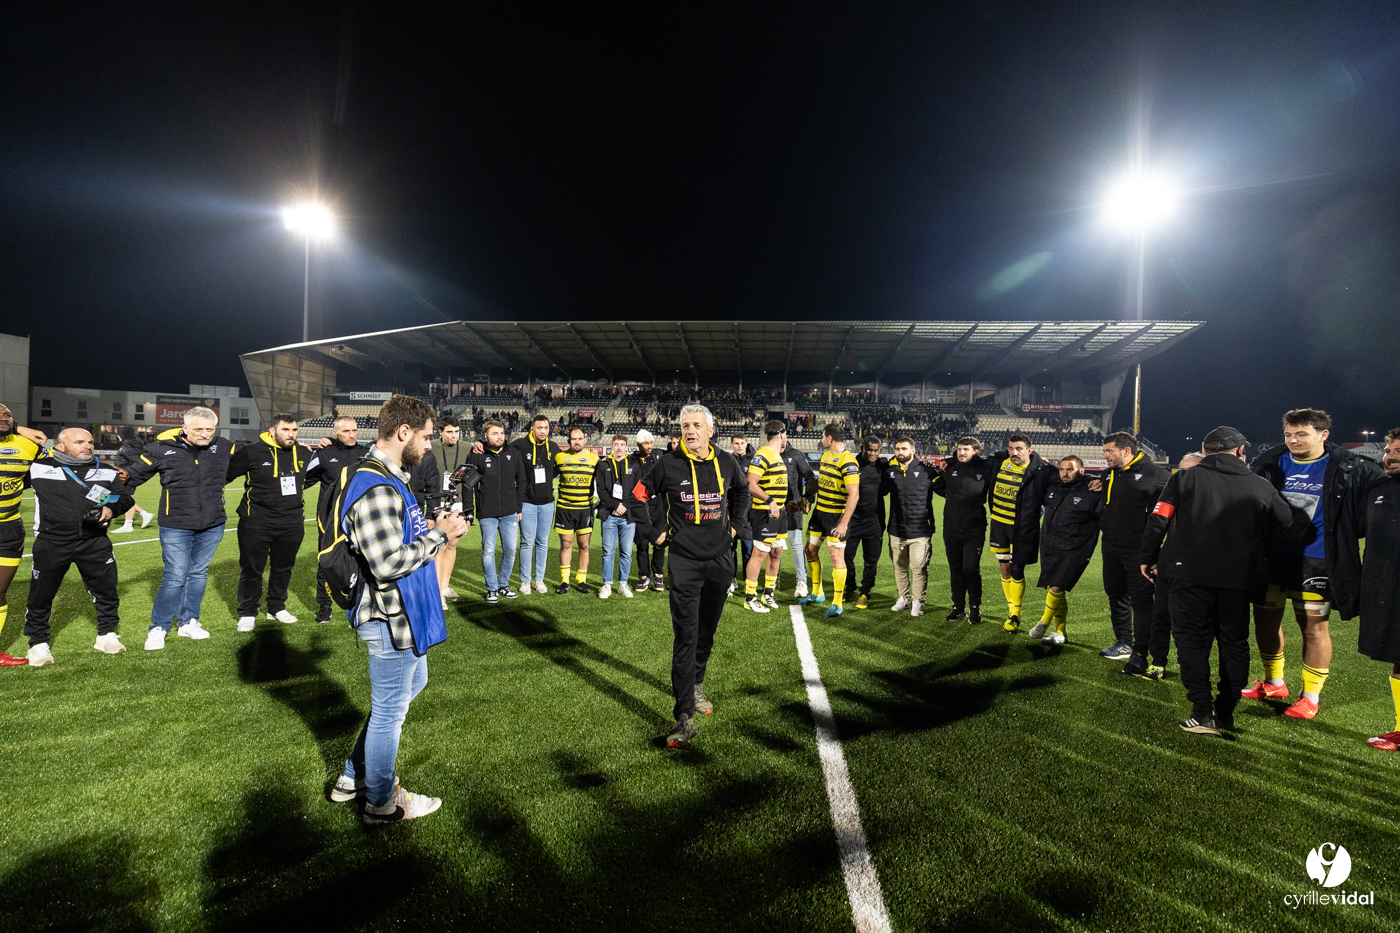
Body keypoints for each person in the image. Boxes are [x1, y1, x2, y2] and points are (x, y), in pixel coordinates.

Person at [329, 395, 469, 824]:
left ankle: (354, 776)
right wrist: (440, 537)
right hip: (388, 616)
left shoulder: (388, 474)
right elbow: (386, 564)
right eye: (427, 437)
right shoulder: (373, 484)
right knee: (390, 711)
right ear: (403, 432)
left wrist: (427, 527)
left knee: (410, 687)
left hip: (402, 614)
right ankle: (382, 801)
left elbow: (393, 535)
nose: (430, 446)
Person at [1140, 426, 1294, 736]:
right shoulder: (1259, 484)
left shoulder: (1185, 478)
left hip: (1187, 575)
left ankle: (1202, 711)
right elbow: (1286, 523)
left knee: (1191, 642)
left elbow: (1158, 519)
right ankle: (1225, 712)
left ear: (1206, 451)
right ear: (1240, 452)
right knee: (1234, 643)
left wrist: (1147, 556)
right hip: (1238, 578)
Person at [627, 404, 750, 748]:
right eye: (684, 425)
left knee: (706, 632)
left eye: (696, 425)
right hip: (684, 563)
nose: (689, 430)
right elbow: (637, 497)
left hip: (721, 561)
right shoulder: (667, 463)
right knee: (686, 635)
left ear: (711, 430)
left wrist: (736, 528)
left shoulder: (726, 461)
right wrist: (655, 534)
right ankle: (683, 717)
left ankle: (695, 684)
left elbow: (741, 493)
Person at [1244, 409, 1379, 720]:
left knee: (1314, 628)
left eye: (1301, 434)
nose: (1293, 440)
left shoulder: (1349, 467)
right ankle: (1274, 682)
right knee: (1265, 620)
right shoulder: (1269, 463)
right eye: (1289, 434)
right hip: (1273, 559)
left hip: (1317, 561)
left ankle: (1310, 697)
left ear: (1322, 435)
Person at [126, 406, 236, 650]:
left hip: (213, 522)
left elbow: (247, 463)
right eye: (198, 429)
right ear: (184, 428)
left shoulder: (225, 446)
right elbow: (131, 477)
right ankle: (159, 627)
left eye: (209, 429)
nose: (205, 434)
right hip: (175, 524)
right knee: (175, 575)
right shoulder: (159, 449)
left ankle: (188, 621)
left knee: (198, 573)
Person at [22, 428, 135, 664]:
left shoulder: (104, 470)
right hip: (52, 542)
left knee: (106, 590)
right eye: (80, 442)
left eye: (91, 442)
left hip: (94, 542)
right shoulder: (37, 467)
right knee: (41, 595)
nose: (88, 446)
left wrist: (110, 509)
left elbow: (124, 499)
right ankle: (38, 643)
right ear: (60, 447)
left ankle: (106, 634)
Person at [1341, 428, 1400, 750]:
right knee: (1398, 656)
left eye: (1398, 452)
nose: (1389, 457)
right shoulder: (1381, 489)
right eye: (1389, 451)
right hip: (1386, 588)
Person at [225, 414, 310, 632]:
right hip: (256, 521)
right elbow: (225, 475)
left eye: (294, 430)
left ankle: (276, 607)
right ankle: (247, 612)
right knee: (252, 569)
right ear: (272, 431)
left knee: (283, 568)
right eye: (285, 430)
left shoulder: (303, 452)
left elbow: (311, 477)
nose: (291, 435)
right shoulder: (252, 452)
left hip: (291, 521)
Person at [1090, 432, 1171, 662]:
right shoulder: (1108, 474)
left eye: (1109, 451)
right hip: (1111, 546)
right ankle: (1124, 642)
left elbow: (1176, 504)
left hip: (1140, 549)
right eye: (1104, 451)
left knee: (1142, 600)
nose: (1105, 455)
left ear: (1126, 451)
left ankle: (1141, 650)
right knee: (1115, 594)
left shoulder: (1156, 474)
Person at [1123, 451, 1203, 681]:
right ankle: (1158, 662)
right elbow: (1158, 526)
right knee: (1161, 616)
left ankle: (1194, 669)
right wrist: (1154, 558)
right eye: (1182, 471)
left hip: (1201, 570)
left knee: (1193, 622)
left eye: (1192, 471)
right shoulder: (1172, 496)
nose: (1185, 477)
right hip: (1170, 564)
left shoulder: (1215, 498)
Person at [1026, 455, 1102, 646]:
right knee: (1056, 587)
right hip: (1050, 545)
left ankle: (1044, 621)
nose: (1065, 473)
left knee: (1057, 586)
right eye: (1062, 469)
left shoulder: (1092, 490)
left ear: (1082, 471)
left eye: (1070, 469)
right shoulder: (1053, 487)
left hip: (1076, 548)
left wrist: (1096, 480)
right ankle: (1060, 633)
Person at [987, 433, 1054, 633]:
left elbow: (1068, 475)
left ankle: (1015, 614)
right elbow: (968, 457)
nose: (1014, 452)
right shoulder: (999, 462)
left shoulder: (1040, 469)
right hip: (999, 524)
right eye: (1011, 448)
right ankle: (1012, 610)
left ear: (1029, 450)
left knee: (1017, 570)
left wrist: (1095, 480)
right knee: (1005, 569)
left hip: (1022, 528)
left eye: (1019, 449)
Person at [305, 416, 367, 622]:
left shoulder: (365, 454)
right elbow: (303, 479)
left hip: (360, 517)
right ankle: (324, 607)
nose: (352, 435)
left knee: (363, 560)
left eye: (354, 431)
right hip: (330, 520)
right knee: (327, 561)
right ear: (335, 433)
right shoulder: (324, 453)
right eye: (346, 431)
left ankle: (360, 604)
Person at [798, 423, 861, 619]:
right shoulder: (826, 457)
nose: (821, 440)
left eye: (823, 436)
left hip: (836, 516)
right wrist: (807, 496)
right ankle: (817, 593)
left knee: (836, 557)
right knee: (809, 550)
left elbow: (854, 494)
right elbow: (821, 480)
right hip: (820, 513)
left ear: (830, 438)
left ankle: (837, 603)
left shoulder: (848, 461)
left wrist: (843, 523)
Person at [0, 403, 46, 666]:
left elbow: (56, 466)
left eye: (8, 415)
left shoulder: (26, 445)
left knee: (0, 590)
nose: (4, 417)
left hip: (8, 528)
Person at [932, 436, 989, 624]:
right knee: (955, 569)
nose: (962, 452)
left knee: (970, 568)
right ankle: (958, 608)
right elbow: (942, 489)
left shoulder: (986, 469)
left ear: (976, 451)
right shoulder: (952, 469)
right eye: (959, 449)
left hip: (974, 529)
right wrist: (947, 462)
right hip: (951, 528)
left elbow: (1004, 456)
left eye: (966, 449)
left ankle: (975, 607)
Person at [466, 420, 523, 603]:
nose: (499, 437)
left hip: (509, 512)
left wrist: (518, 507)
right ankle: (491, 588)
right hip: (487, 513)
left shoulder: (513, 454)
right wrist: (469, 510)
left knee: (510, 550)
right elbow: (468, 485)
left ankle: (503, 585)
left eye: (501, 433)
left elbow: (522, 481)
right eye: (494, 433)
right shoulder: (477, 455)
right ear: (485, 436)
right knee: (488, 550)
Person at [882, 436, 935, 617]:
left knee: (919, 568)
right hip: (896, 529)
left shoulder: (927, 471)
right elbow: (880, 491)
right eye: (897, 449)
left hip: (920, 530)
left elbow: (945, 488)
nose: (900, 452)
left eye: (904, 449)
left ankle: (917, 601)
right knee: (899, 567)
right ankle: (903, 598)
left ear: (913, 450)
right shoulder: (890, 471)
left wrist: (944, 468)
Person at [741, 421, 790, 613]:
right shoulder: (762, 455)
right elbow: (750, 484)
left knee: (776, 552)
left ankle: (768, 593)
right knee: (759, 553)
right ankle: (750, 597)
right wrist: (770, 500)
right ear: (782, 434)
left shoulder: (776, 455)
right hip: (764, 511)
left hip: (780, 513)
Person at [512, 415, 562, 594]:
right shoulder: (519, 445)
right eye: (539, 427)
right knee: (526, 542)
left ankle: (538, 579)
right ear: (532, 428)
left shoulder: (554, 447)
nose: (543, 431)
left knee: (542, 542)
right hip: (527, 503)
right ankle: (525, 581)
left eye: (546, 428)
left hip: (548, 503)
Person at [429, 415, 472, 602]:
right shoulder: (431, 447)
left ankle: (445, 586)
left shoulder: (467, 448)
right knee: (440, 545)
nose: (454, 436)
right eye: (450, 432)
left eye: (457, 432)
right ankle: (437, 591)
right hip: (438, 502)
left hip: (459, 502)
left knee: (453, 544)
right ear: (440, 432)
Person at [843, 436, 888, 609]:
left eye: (876, 450)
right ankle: (851, 587)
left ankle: (865, 592)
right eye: (869, 450)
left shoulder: (881, 466)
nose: (872, 453)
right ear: (862, 448)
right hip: (852, 521)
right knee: (846, 557)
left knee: (871, 560)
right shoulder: (852, 465)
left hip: (874, 522)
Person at [553, 427, 600, 594]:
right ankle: (565, 580)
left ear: (585, 440)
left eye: (580, 438)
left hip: (584, 509)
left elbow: (603, 483)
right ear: (568, 441)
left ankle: (581, 580)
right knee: (566, 544)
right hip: (565, 508)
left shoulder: (594, 460)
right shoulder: (559, 458)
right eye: (573, 439)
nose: (577, 442)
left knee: (584, 545)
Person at [594, 433, 640, 599]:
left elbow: (637, 490)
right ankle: (607, 584)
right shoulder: (603, 464)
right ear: (612, 446)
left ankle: (622, 583)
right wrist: (615, 506)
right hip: (609, 514)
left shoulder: (634, 464)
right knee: (608, 551)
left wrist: (624, 506)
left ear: (626, 447)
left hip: (628, 516)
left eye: (622, 444)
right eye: (616, 444)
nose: (619, 447)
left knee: (626, 552)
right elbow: (601, 490)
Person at [629, 429, 665, 591]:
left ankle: (658, 576)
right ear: (638, 445)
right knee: (642, 544)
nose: (649, 446)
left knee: (660, 543)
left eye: (651, 443)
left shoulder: (659, 458)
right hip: (641, 510)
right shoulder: (632, 461)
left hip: (659, 508)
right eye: (645, 443)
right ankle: (643, 576)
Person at [782, 441, 818, 598]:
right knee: (770, 545)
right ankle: (773, 580)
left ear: (784, 435)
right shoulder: (768, 453)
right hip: (773, 506)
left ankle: (802, 582)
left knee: (796, 543)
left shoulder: (796, 454)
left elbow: (810, 476)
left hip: (794, 506)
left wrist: (808, 499)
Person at [111, 425, 155, 532]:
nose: (117, 436)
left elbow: (136, 462)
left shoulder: (129, 447)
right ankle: (144, 515)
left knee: (126, 498)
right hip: (123, 475)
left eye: (118, 434)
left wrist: (128, 472)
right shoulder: (129, 445)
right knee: (122, 497)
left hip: (126, 476)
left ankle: (128, 525)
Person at [729, 434, 755, 595]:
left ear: (746, 443)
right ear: (732, 445)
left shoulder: (753, 462)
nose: (739, 446)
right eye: (736, 443)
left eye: (742, 443)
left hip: (748, 514)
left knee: (748, 550)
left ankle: (748, 580)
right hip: (730, 513)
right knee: (730, 550)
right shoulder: (728, 461)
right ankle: (731, 579)